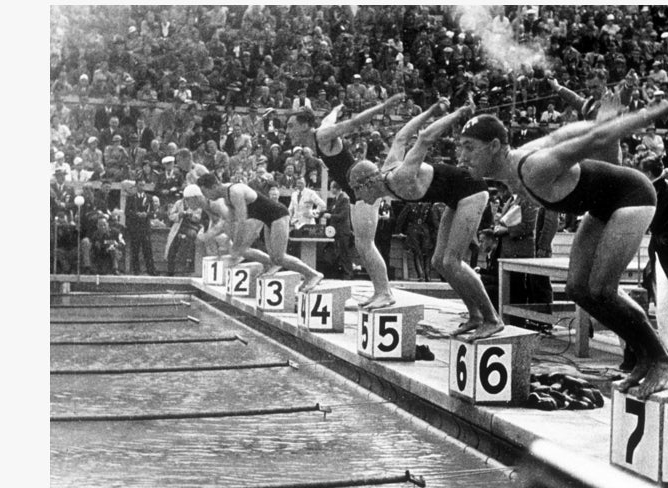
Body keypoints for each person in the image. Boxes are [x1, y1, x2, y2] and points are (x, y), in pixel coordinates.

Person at [454, 101, 668, 394]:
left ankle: (663, 358)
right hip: (601, 205)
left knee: (602, 289)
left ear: (495, 146)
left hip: (633, 196)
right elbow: (569, 132)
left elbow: (595, 140)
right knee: (577, 289)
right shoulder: (519, 165)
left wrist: (662, 109)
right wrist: (600, 122)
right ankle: (644, 356)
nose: (462, 157)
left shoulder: (533, 167)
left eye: (469, 147)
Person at [358, 100, 498, 337]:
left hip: (472, 190)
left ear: (368, 183)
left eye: (357, 191)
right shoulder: (387, 168)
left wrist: (459, 112)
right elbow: (402, 135)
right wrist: (432, 109)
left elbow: (424, 138)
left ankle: (492, 318)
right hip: (454, 197)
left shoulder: (400, 176)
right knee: (438, 262)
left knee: (452, 261)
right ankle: (474, 315)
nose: (358, 198)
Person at [285, 97, 403, 309]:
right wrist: (337, 108)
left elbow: (354, 123)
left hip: (365, 189)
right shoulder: (320, 132)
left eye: (291, 126)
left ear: (304, 126)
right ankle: (380, 291)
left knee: (365, 244)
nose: (288, 131)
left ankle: (385, 292)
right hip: (356, 191)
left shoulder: (322, 136)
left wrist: (384, 107)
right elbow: (330, 118)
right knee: (362, 244)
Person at [193, 169, 321, 291]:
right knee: (274, 259)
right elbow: (231, 221)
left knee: (280, 257)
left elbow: (242, 221)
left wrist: (236, 245)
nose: (206, 197)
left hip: (278, 215)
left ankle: (313, 274)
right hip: (266, 219)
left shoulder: (235, 192)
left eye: (205, 192)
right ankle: (272, 266)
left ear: (214, 186)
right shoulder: (226, 196)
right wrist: (227, 239)